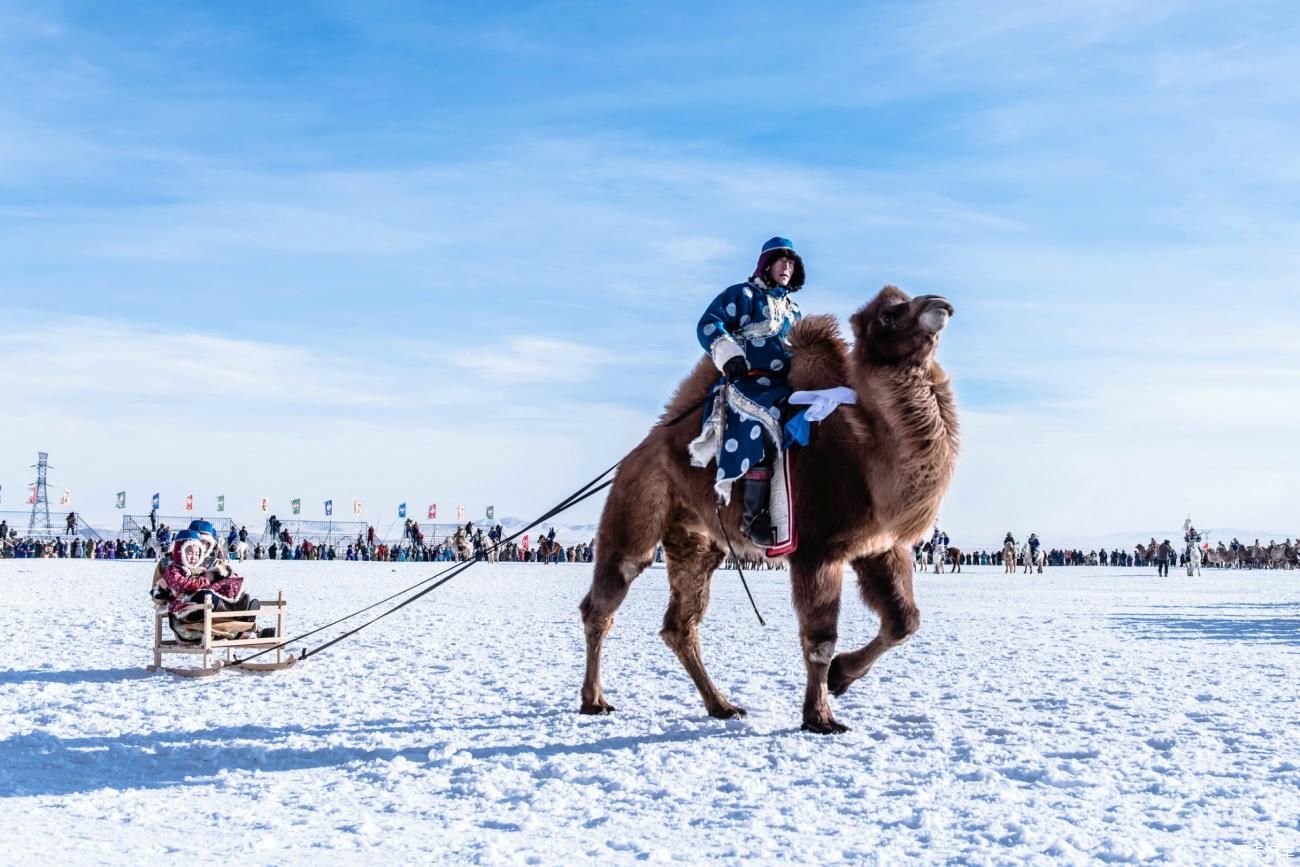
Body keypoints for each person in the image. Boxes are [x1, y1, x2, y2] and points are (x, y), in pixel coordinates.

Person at [689, 236, 804, 548]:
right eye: (781, 260)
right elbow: (709, 323)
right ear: (766, 264)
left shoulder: (794, 311)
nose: (787, 267)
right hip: (748, 384)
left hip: (785, 387)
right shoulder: (742, 294)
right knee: (765, 423)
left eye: (792, 262)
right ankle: (752, 518)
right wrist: (730, 356)